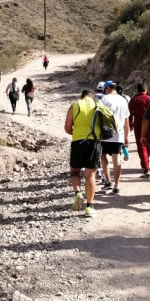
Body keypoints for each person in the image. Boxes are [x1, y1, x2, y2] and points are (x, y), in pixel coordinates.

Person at [64, 89, 101, 217]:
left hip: (78, 141)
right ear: (92, 96)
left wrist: (77, 133)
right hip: (94, 142)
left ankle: (77, 193)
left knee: (74, 171)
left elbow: (67, 128)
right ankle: (89, 208)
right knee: (90, 175)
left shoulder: (75, 105)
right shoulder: (98, 104)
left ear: (81, 96)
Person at [100, 81, 130, 194]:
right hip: (119, 134)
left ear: (108, 88)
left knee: (103, 157)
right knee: (116, 160)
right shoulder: (123, 100)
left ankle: (108, 181)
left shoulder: (104, 99)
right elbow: (126, 120)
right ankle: (116, 186)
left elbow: (99, 116)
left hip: (105, 134)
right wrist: (126, 137)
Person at [128, 83, 150, 178]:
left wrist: (130, 124)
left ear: (138, 90)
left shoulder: (134, 100)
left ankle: (146, 168)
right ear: (145, 89)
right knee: (147, 144)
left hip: (139, 126)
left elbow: (129, 114)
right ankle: (145, 163)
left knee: (141, 146)